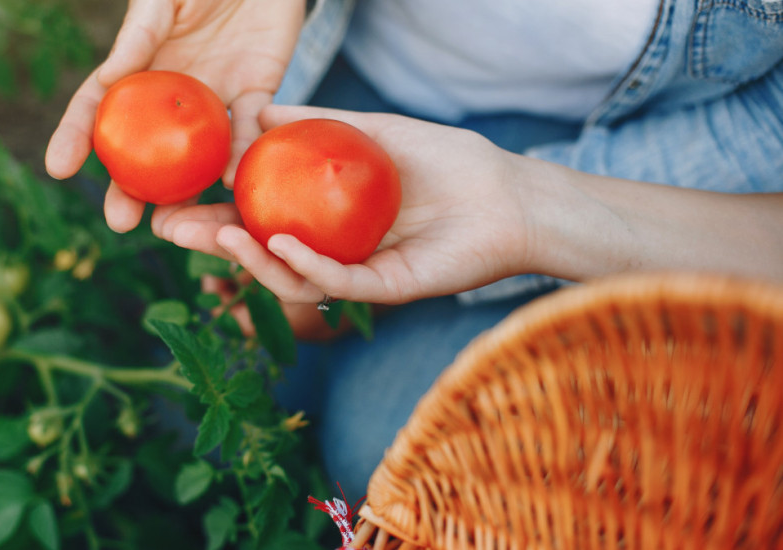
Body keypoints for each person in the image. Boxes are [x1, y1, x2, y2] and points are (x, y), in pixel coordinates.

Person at [46, 0, 783, 497]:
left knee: (390, 449)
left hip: (640, 161)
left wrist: (538, 210)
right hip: (327, 47)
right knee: (193, 409)